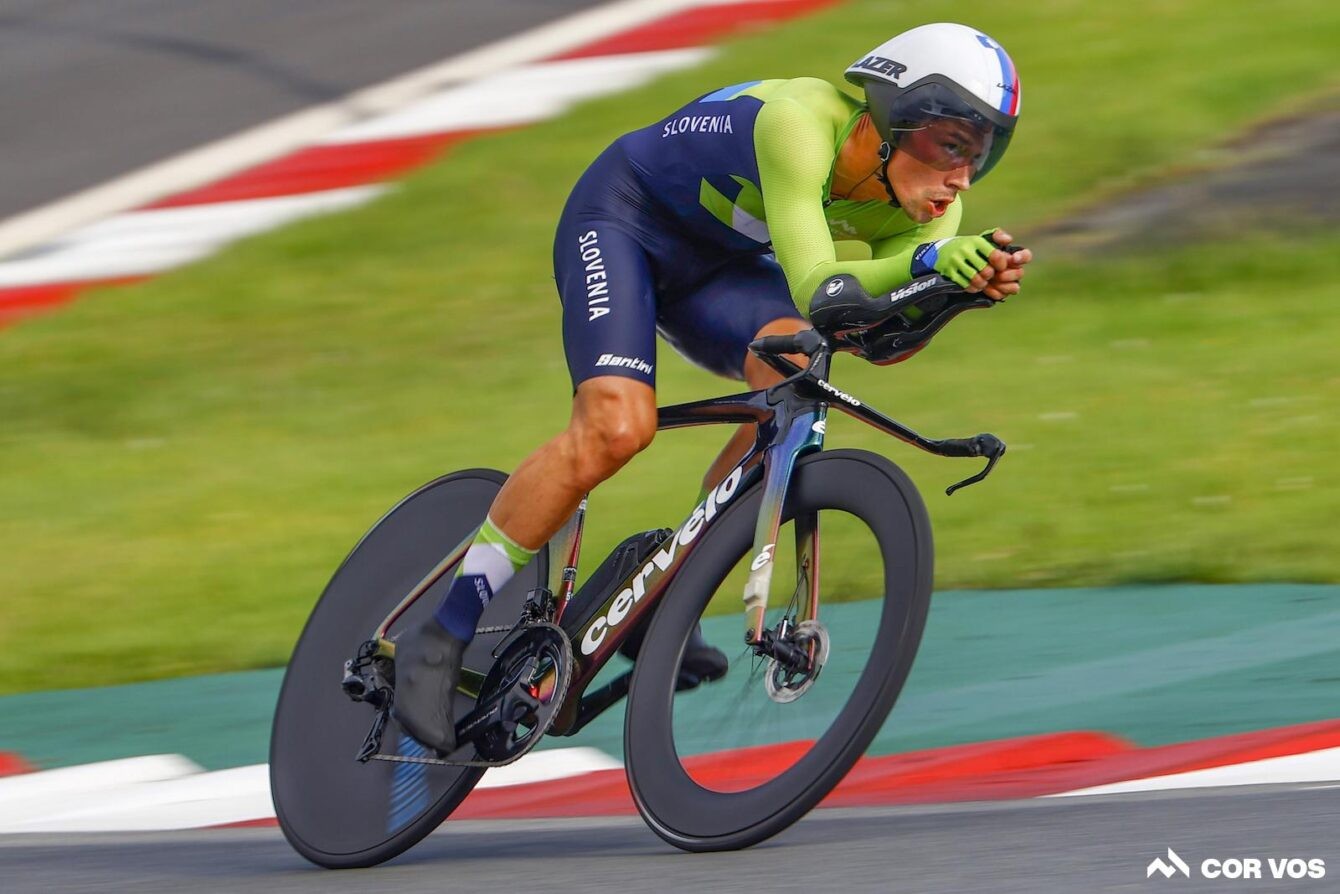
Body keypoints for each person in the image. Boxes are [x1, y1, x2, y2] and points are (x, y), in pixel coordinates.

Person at [393, 22, 1034, 753]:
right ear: (895, 119)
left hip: (717, 267)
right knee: (616, 428)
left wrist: (954, 291)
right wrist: (930, 264)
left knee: (799, 373)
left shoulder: (934, 213)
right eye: (952, 147)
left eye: (979, 158)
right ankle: (440, 634)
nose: (961, 179)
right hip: (622, 222)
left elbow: (877, 343)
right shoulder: (799, 123)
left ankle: (669, 592)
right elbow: (821, 288)